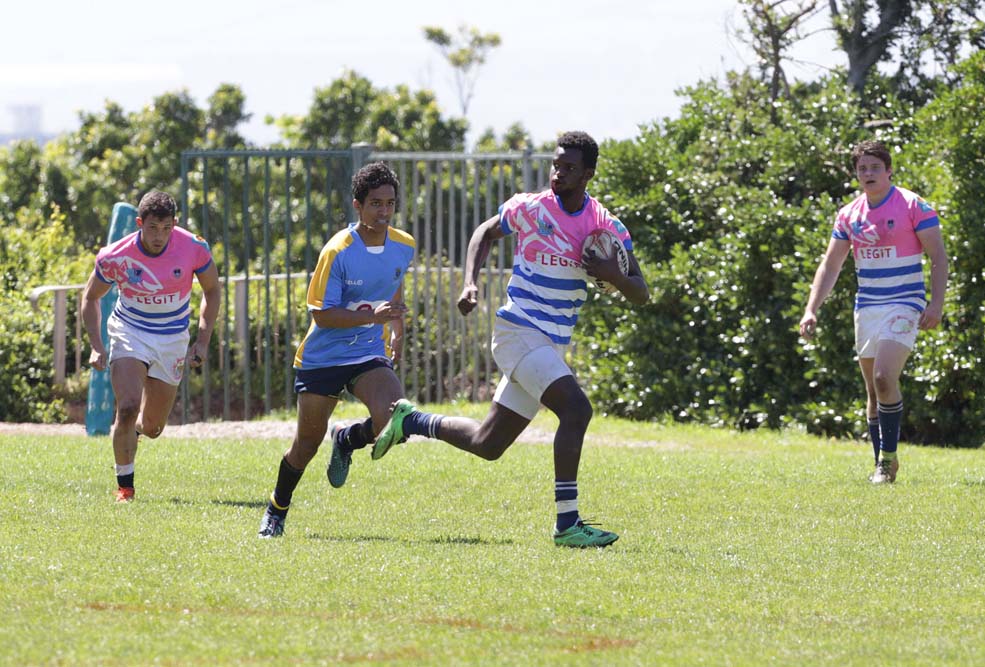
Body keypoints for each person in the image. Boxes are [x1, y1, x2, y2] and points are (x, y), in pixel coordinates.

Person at [368, 131, 650, 548]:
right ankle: (567, 525)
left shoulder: (605, 226)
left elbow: (641, 292)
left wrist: (613, 275)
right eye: (556, 164)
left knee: (488, 444)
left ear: (588, 174)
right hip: (518, 332)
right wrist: (470, 283)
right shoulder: (531, 208)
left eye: (569, 168)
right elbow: (484, 232)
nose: (558, 173)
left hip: (549, 345)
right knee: (577, 410)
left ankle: (411, 420)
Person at [257, 161, 414, 538]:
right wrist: (373, 318)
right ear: (357, 205)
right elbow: (322, 315)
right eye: (375, 203)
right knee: (306, 446)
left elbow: (393, 287)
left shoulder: (403, 245)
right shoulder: (338, 250)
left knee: (395, 421)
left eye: (390, 203)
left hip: (367, 353)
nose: (384, 211)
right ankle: (276, 510)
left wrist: (395, 326)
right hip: (323, 358)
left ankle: (347, 439)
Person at [799, 139, 948, 484]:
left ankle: (887, 461)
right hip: (867, 306)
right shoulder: (849, 214)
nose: (868, 174)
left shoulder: (914, 205)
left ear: (889, 170)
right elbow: (831, 265)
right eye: (862, 168)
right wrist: (811, 309)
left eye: (874, 167)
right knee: (872, 392)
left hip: (905, 302)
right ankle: (882, 463)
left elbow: (938, 257)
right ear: (856, 174)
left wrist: (935, 304)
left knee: (884, 378)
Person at [81, 190, 221, 502]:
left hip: (172, 339)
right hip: (129, 332)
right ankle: (125, 488)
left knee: (154, 427)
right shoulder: (115, 255)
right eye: (153, 228)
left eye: (166, 228)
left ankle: (136, 435)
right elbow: (90, 298)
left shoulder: (193, 247)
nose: (159, 237)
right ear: (140, 223)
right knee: (128, 406)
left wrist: (202, 341)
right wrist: (97, 346)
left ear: (175, 223)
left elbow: (212, 291)